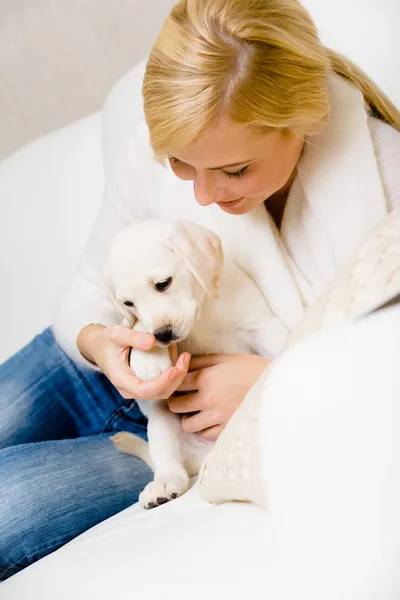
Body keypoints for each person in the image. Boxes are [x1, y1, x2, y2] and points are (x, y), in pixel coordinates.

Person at [1, 0, 399, 582]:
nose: (204, 198)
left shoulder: (383, 189)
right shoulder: (162, 137)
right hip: (81, 370)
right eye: (183, 167)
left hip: (180, 432)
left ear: (306, 118)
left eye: (235, 170)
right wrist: (98, 344)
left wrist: (274, 389)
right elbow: (88, 288)